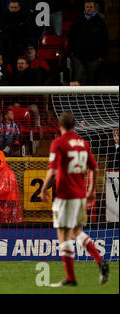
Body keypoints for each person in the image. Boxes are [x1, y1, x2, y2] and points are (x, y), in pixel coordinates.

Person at [40, 111, 110, 287]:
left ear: (60, 125)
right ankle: (99, 260)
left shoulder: (58, 143)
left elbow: (52, 170)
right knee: (76, 231)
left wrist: (43, 189)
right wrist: (92, 190)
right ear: (74, 125)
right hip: (80, 196)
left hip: (64, 196)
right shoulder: (84, 143)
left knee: (64, 236)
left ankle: (70, 278)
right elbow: (95, 169)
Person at [68, 0, 109, 85]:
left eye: (91, 7)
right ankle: (75, 98)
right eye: (87, 7)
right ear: (84, 7)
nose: (89, 9)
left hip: (94, 57)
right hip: (78, 56)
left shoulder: (100, 22)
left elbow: (105, 39)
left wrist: (102, 55)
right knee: (75, 82)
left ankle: (91, 98)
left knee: (92, 82)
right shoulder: (78, 21)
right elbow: (71, 37)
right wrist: (71, 53)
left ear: (94, 8)